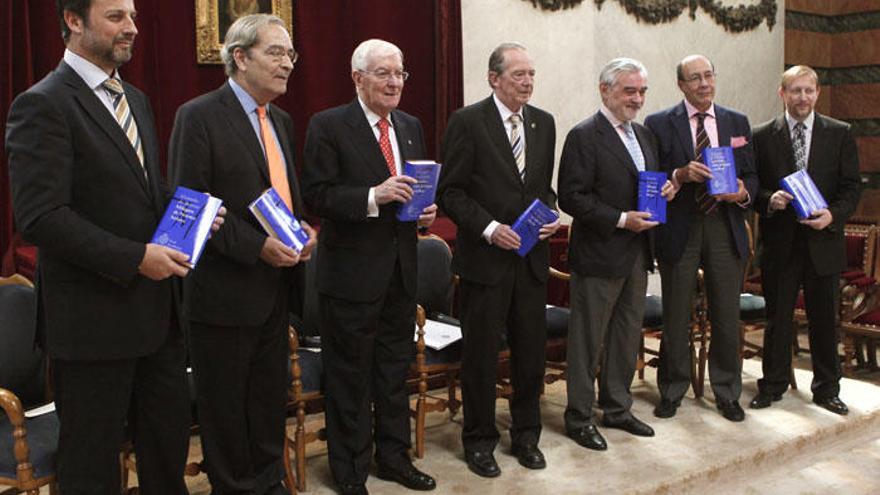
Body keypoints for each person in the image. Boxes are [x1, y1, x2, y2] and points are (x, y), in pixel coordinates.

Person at [5, 0, 220, 492]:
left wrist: (194, 213)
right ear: (74, 21)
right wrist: (135, 258)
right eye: (116, 17)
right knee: (93, 463)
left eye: (134, 17)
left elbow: (145, 192)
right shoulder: (42, 103)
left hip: (157, 316)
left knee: (166, 450)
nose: (132, 29)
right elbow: (41, 217)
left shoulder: (136, 99)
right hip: (92, 323)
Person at [168, 14, 314, 494]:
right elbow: (192, 208)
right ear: (240, 57)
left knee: (267, 405)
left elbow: (281, 196)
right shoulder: (199, 116)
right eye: (276, 52)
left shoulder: (282, 121)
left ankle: (270, 485)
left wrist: (300, 232)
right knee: (227, 416)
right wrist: (258, 249)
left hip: (277, 292)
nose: (287, 63)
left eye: (290, 54)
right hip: (223, 297)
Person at [301, 39, 437, 495]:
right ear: (357, 77)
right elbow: (315, 195)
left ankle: (394, 458)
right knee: (350, 380)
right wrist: (371, 197)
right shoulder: (329, 125)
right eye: (383, 73)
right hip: (350, 278)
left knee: (394, 374)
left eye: (400, 73)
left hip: (401, 272)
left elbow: (413, 191)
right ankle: (350, 470)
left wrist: (423, 211)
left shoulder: (411, 125)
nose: (394, 81)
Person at [437, 42, 560, 478]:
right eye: (518, 75)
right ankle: (479, 441)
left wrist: (551, 213)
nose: (527, 82)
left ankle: (527, 436)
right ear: (494, 78)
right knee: (482, 357)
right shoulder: (467, 122)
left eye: (531, 74)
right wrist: (490, 229)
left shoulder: (543, 123)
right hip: (484, 263)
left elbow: (544, 187)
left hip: (530, 260)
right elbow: (450, 192)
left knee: (530, 356)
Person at [559, 57, 676, 451]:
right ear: (605, 90)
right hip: (599, 253)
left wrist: (665, 193)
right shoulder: (584, 135)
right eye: (629, 90)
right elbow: (572, 197)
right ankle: (578, 416)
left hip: (638, 254)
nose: (638, 98)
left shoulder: (644, 136)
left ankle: (617, 408)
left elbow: (647, 185)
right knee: (587, 341)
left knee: (626, 336)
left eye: (642, 91)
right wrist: (622, 219)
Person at [644, 54, 757, 422]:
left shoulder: (737, 122)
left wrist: (740, 193)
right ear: (681, 84)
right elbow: (650, 176)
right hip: (681, 227)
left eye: (709, 75)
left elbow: (753, 177)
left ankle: (726, 391)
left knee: (726, 313)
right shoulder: (659, 123)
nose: (704, 83)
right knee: (676, 314)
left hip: (725, 226)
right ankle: (672, 390)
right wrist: (678, 174)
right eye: (695, 78)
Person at [749, 65, 861, 415]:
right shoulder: (762, 135)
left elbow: (851, 187)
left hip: (824, 241)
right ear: (782, 94)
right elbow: (751, 188)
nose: (802, 98)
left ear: (817, 93)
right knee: (777, 319)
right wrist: (770, 199)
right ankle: (773, 385)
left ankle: (827, 389)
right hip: (780, 243)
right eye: (795, 91)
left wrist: (833, 215)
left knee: (825, 320)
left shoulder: (839, 133)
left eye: (808, 91)